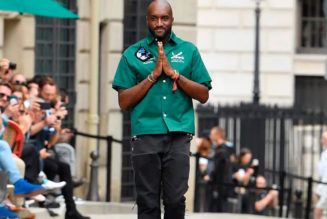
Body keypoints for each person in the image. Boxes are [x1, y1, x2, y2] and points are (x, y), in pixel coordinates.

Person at [112, 1, 212, 218]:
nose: (159, 23)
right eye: (154, 18)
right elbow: (123, 101)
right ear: (147, 20)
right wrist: (153, 76)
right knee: (147, 202)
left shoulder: (188, 51)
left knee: (176, 200)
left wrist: (174, 74)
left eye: (164, 18)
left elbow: (203, 94)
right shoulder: (132, 54)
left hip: (179, 134)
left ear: (171, 20)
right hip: (146, 133)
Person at [314, 131, 327, 219]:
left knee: (319, 208)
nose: (321, 141)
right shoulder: (324, 153)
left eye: (323, 138)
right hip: (323, 184)